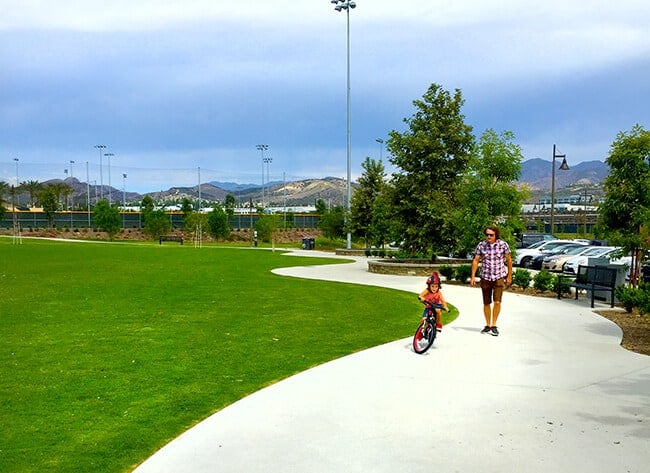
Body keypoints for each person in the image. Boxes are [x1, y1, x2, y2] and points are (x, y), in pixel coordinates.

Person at [470, 225, 512, 336]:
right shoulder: (481, 245)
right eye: (487, 234)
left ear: (496, 235)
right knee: (486, 302)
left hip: (499, 276)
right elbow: (476, 260)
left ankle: (494, 325)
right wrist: (473, 276)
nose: (488, 236)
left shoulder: (503, 245)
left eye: (491, 235)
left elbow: (509, 260)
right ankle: (487, 325)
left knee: (497, 301)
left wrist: (509, 276)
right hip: (486, 277)